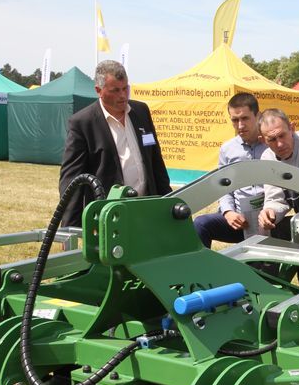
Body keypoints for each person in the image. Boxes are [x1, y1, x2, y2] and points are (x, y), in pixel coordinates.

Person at [59, 60, 171, 227]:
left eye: (126, 88)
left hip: (147, 208)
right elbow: (71, 179)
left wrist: (167, 203)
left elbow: (155, 160)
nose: (123, 95)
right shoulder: (83, 123)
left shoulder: (141, 112)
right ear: (99, 90)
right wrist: (70, 227)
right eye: (115, 90)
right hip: (109, 216)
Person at [193, 93, 268, 248]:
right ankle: (199, 270)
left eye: (245, 118)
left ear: (257, 116)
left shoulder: (272, 144)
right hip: (240, 221)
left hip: (269, 220)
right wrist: (228, 212)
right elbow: (223, 187)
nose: (240, 125)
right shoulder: (227, 149)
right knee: (201, 223)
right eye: (235, 120)